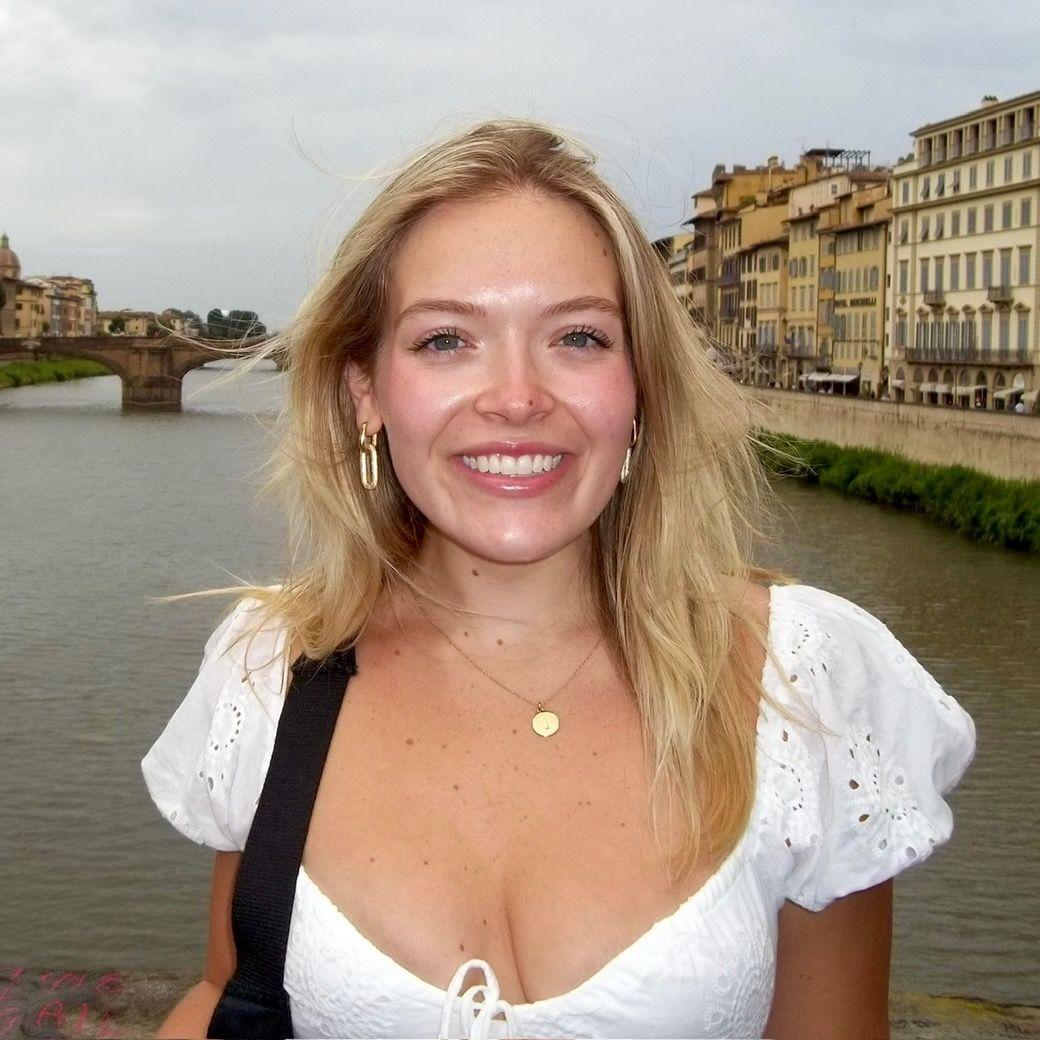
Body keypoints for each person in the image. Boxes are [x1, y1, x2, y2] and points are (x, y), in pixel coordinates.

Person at [141, 118, 976, 1040]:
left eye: (578, 337)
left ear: (641, 384)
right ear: (364, 390)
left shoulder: (804, 681)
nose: (516, 397)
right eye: (446, 340)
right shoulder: (270, 671)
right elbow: (228, 992)